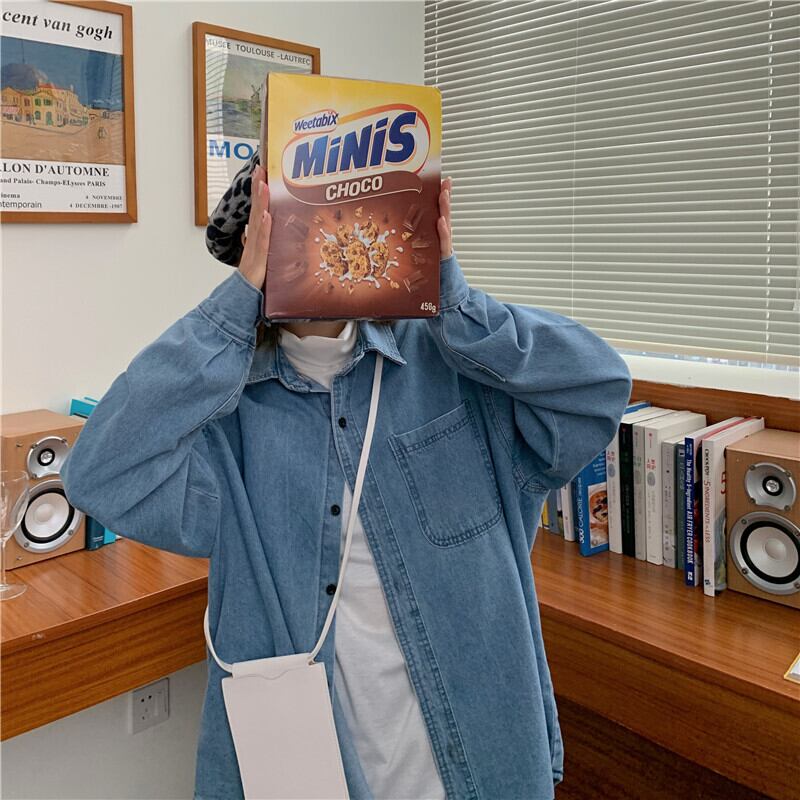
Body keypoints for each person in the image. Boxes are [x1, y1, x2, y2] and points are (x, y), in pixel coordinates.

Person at [61, 151, 632, 800]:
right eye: (290, 222)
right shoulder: (229, 419)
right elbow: (100, 474)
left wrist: (453, 302)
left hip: (472, 758)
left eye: (343, 218)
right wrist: (235, 306)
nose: (323, 241)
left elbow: (597, 386)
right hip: (306, 770)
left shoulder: (453, 372)